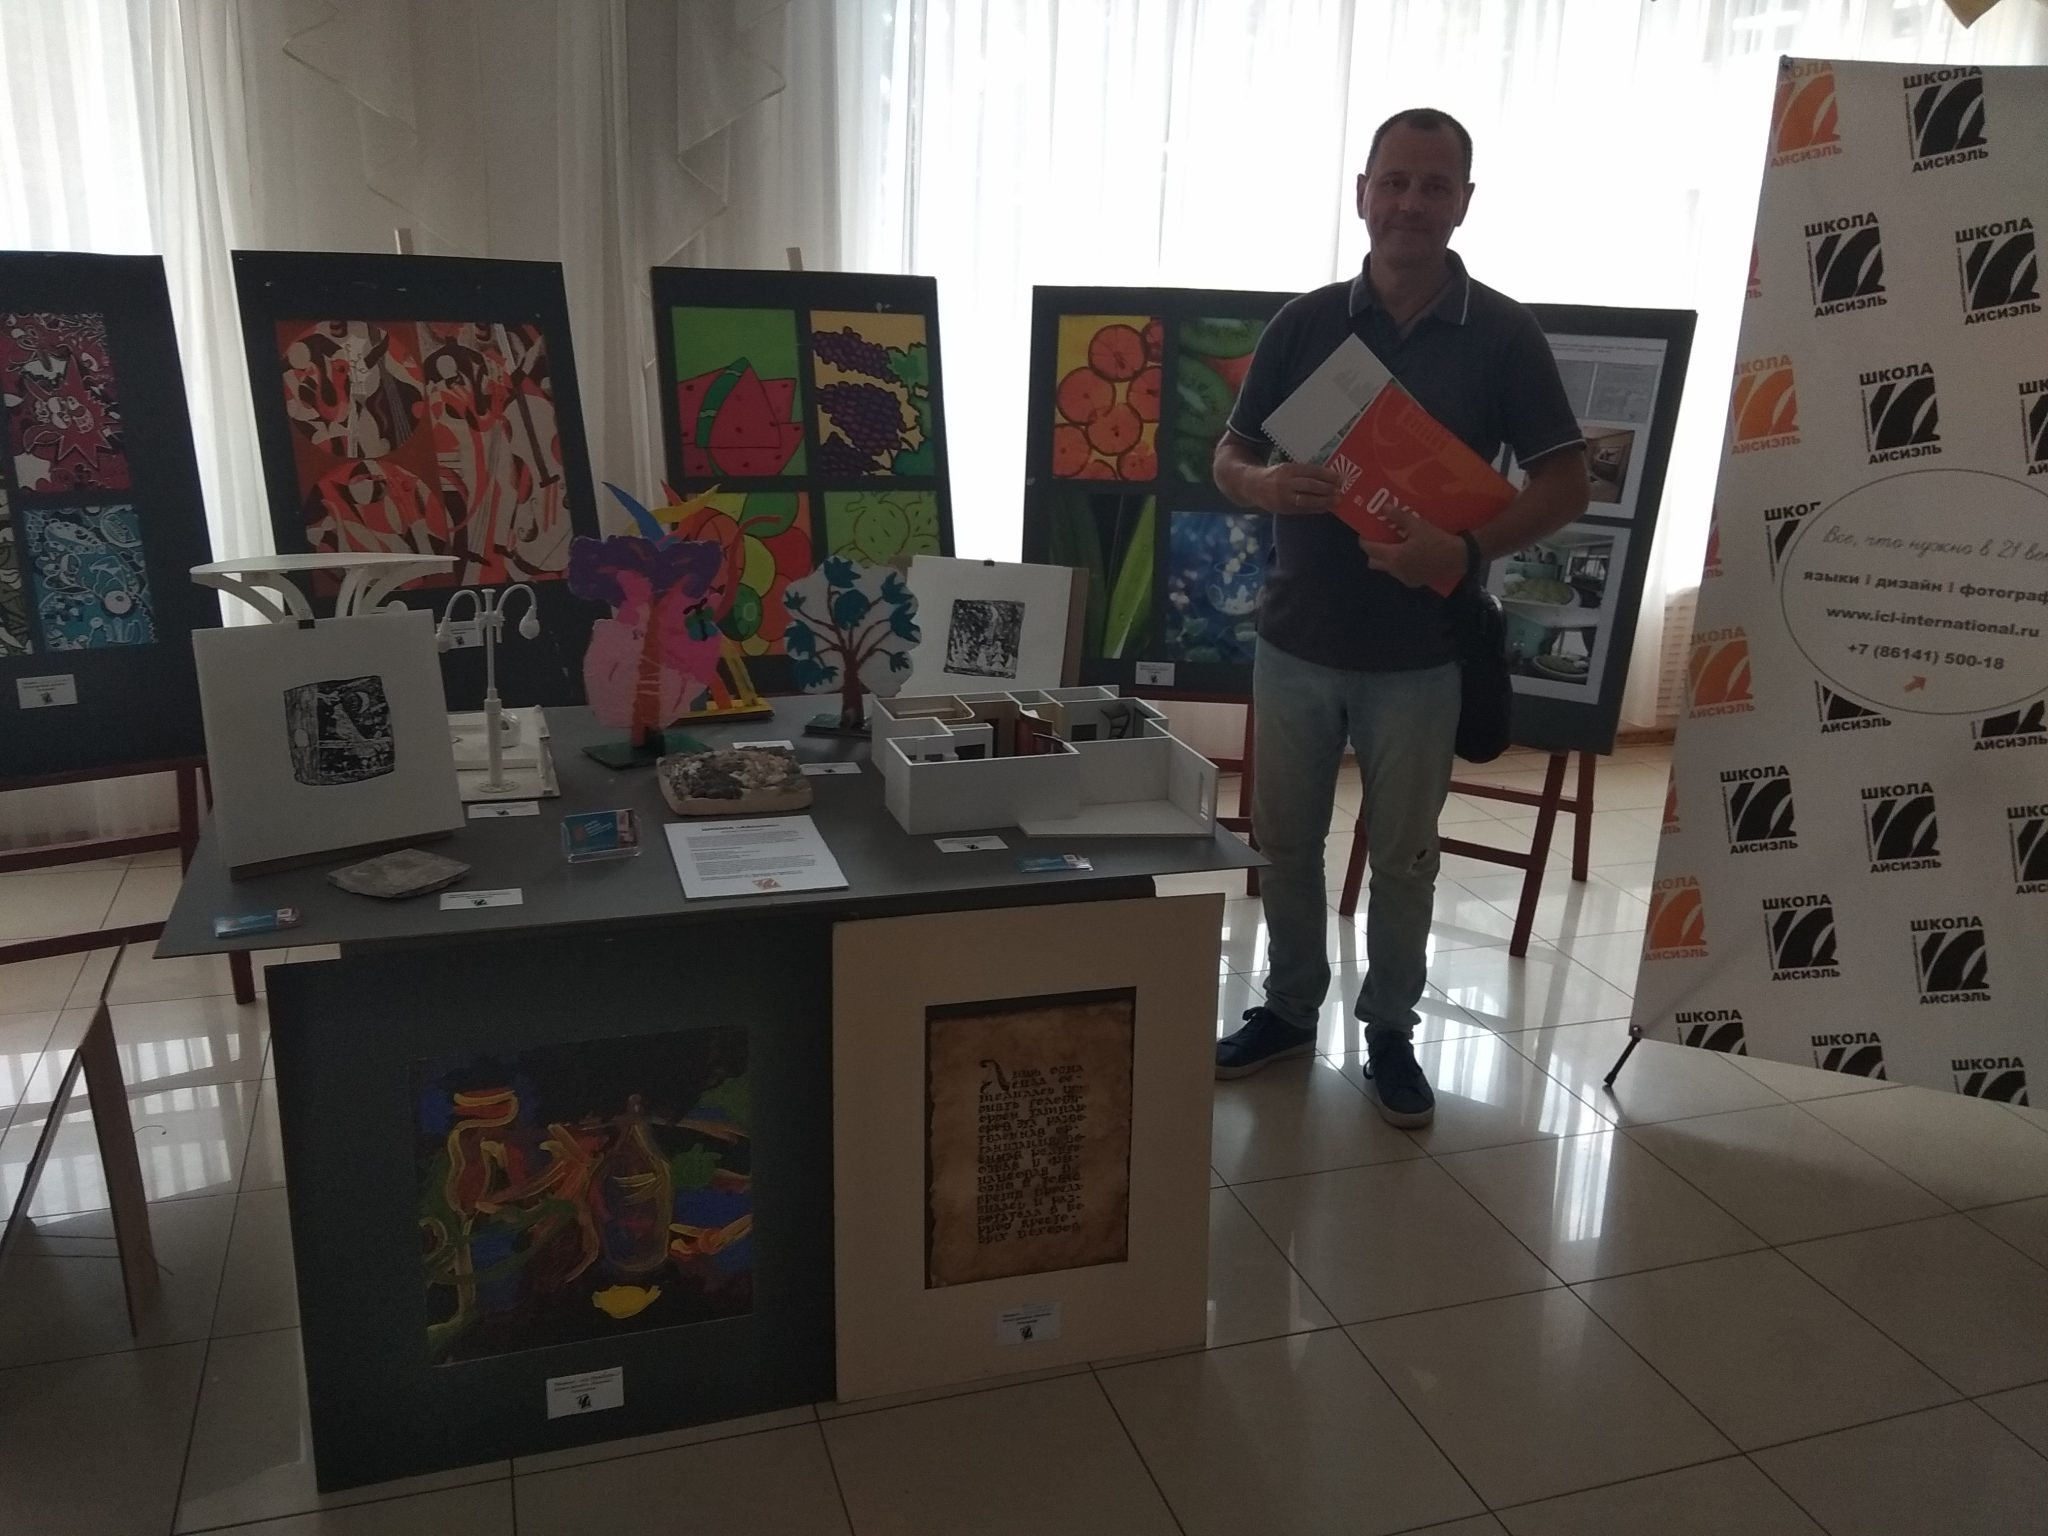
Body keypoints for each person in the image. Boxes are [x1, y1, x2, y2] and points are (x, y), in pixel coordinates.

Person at [1212, 107, 1589, 1126]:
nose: (1410, 203)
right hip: (1296, 639)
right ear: (1361, 194)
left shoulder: (1504, 334)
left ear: (1463, 203)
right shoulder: (1304, 324)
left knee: (1405, 860)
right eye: (1394, 182)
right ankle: (1288, 1008)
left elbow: (1565, 481)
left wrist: (1461, 553)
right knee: (1283, 845)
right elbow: (1229, 455)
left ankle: (1388, 1029)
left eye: (1433, 186)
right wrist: (1262, 486)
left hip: (1422, 653)